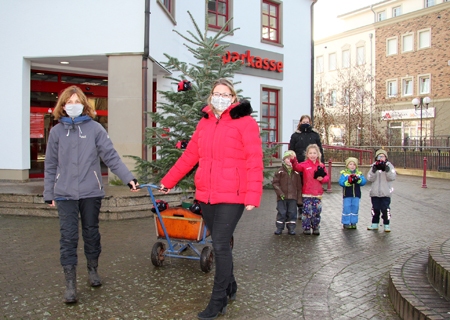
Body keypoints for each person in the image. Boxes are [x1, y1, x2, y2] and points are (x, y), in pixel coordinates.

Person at [159, 78, 263, 320]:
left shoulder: (245, 123)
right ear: (210, 97)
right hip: (206, 194)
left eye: (226, 94)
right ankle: (231, 285)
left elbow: (254, 159)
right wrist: (168, 181)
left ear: (233, 99)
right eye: (217, 93)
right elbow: (189, 156)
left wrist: (253, 195)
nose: (220, 98)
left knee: (219, 245)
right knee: (221, 243)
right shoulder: (204, 123)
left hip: (233, 195)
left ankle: (218, 301)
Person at [43, 85, 139, 304]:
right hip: (65, 193)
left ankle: (93, 269)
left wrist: (128, 178)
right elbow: (50, 165)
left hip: (90, 192)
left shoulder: (95, 129)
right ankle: (70, 284)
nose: (73, 105)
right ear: (63, 106)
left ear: (84, 105)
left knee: (91, 233)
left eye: (77, 101)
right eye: (69, 102)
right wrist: (49, 192)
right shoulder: (57, 132)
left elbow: (111, 156)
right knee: (68, 238)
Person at [291, 144, 329, 235]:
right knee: (307, 212)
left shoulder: (321, 165)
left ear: (318, 154)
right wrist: (293, 160)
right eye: (310, 153)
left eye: (314, 153)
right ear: (307, 154)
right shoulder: (304, 165)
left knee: (316, 212)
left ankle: (315, 227)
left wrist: (322, 179)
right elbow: (296, 167)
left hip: (317, 194)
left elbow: (327, 177)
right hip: (307, 193)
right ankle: (306, 228)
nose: (312, 155)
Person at [272, 150, 302, 235]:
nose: (289, 160)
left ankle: (291, 228)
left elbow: (299, 187)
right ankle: (279, 228)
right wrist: (280, 193)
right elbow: (275, 183)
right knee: (281, 212)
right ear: (284, 159)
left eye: (291, 159)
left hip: (293, 197)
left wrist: (299, 199)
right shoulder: (280, 171)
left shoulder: (296, 173)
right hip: (282, 197)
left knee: (292, 213)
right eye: (287, 158)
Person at [366, 149, 396, 232]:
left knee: (385, 209)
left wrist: (387, 170)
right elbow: (369, 178)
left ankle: (386, 224)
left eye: (383, 156)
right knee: (375, 209)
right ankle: (374, 224)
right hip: (375, 193)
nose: (381, 158)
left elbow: (392, 177)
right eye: (379, 156)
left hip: (385, 193)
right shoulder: (373, 166)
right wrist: (373, 171)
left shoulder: (389, 166)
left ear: (386, 157)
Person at [338, 157, 367, 229]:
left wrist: (360, 181)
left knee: (355, 208)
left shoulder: (359, 174)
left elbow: (364, 181)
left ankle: (353, 222)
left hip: (356, 195)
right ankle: (346, 222)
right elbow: (341, 182)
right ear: (347, 165)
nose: (352, 166)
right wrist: (346, 183)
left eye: (354, 164)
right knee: (347, 208)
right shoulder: (344, 174)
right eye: (350, 164)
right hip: (347, 195)